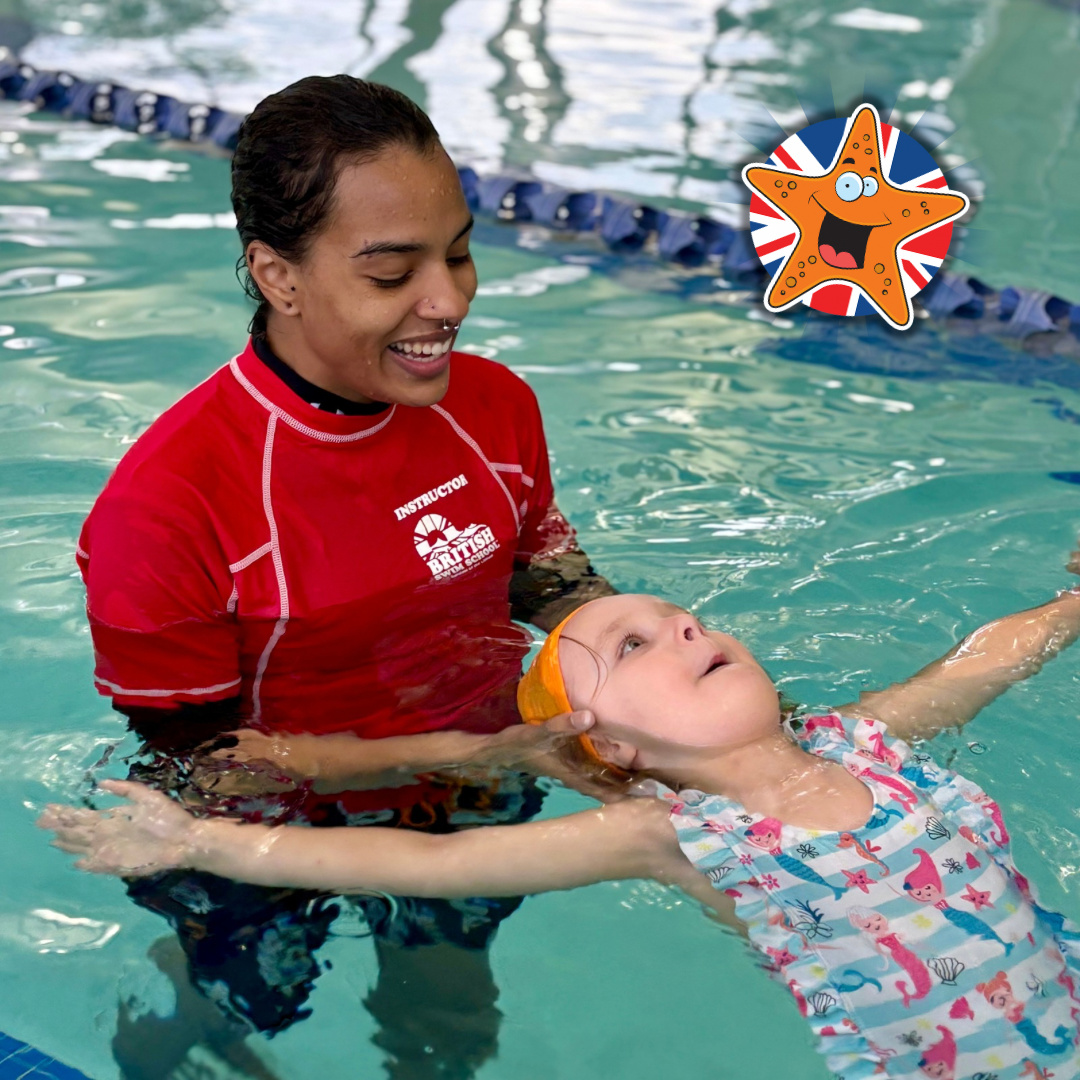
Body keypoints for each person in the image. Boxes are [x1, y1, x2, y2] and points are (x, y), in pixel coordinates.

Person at [75, 73, 614, 1075]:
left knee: (452, 1024)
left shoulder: (495, 407)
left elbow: (538, 568)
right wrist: (478, 751)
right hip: (266, 832)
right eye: (390, 273)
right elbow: (204, 762)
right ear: (278, 275)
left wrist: (642, 651)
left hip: (477, 787)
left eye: (457, 252)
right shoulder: (168, 509)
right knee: (234, 1015)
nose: (447, 301)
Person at [44, 574, 1080, 1079]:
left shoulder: (863, 739)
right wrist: (207, 843)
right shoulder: (676, 835)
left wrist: (1073, 601)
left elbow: (981, 661)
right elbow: (422, 862)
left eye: (683, 621)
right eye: (636, 646)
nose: (683, 626)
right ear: (614, 749)